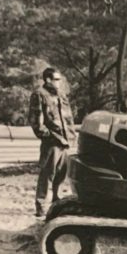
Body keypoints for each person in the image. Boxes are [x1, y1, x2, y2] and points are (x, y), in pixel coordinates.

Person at [29, 67, 76, 217]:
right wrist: (49, 136)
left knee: (61, 174)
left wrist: (71, 136)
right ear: (48, 80)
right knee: (47, 174)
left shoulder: (61, 95)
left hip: (66, 141)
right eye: (56, 79)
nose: (59, 82)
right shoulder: (39, 95)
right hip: (52, 142)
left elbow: (69, 119)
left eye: (59, 79)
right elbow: (36, 121)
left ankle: (56, 202)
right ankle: (41, 205)